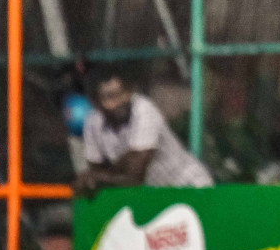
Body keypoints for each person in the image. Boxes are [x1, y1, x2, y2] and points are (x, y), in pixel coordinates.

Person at [76, 73, 213, 192]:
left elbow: (134, 176)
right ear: (95, 102)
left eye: (123, 93)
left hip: (188, 186)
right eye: (111, 97)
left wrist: (99, 177)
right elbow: (96, 169)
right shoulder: (92, 122)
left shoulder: (143, 109)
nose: (120, 101)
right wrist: (96, 177)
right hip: (155, 195)